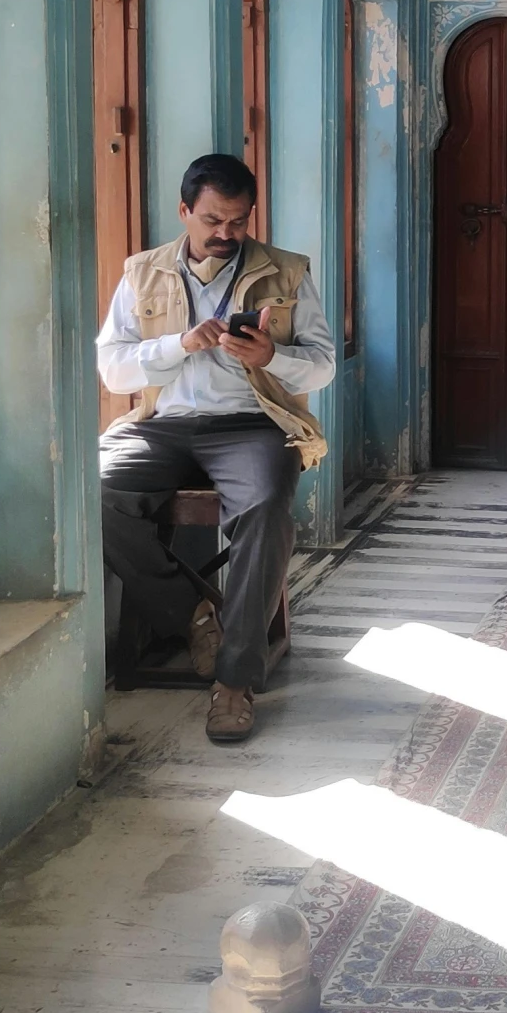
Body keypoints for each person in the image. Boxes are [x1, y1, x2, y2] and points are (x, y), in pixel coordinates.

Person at [96, 153, 335, 744]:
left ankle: (234, 681)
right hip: (163, 425)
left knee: (263, 506)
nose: (226, 234)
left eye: (238, 221)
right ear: (184, 212)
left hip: (253, 423)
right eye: (212, 220)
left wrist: (270, 357)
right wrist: (176, 344)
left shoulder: (287, 272)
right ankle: (194, 617)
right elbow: (113, 371)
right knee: (96, 490)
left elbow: (324, 366)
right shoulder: (143, 272)